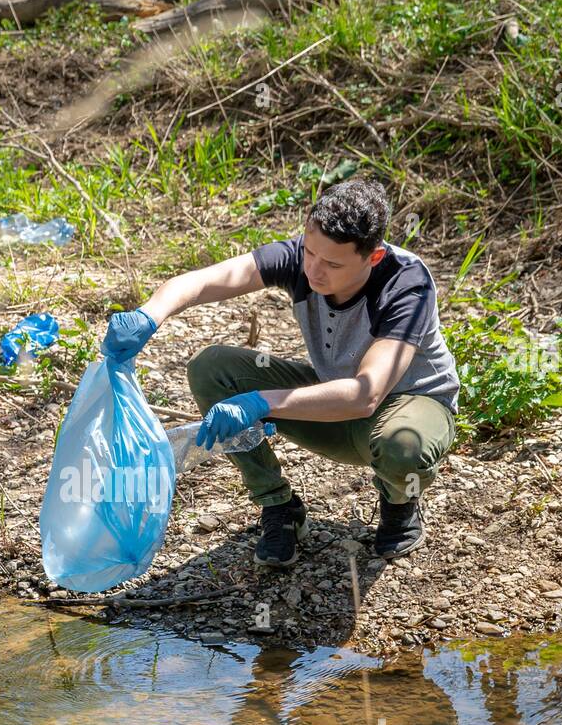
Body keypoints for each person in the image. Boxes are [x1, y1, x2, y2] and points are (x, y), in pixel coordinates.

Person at [100, 178, 459, 566]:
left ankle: (399, 502)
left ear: (372, 257)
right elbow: (203, 281)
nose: (315, 271)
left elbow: (366, 393)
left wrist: (258, 403)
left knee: (402, 447)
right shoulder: (303, 258)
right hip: (332, 402)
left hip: (408, 405)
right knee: (212, 368)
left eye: (333, 264)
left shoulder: (406, 283)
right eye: (310, 253)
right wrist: (148, 315)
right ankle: (279, 507)